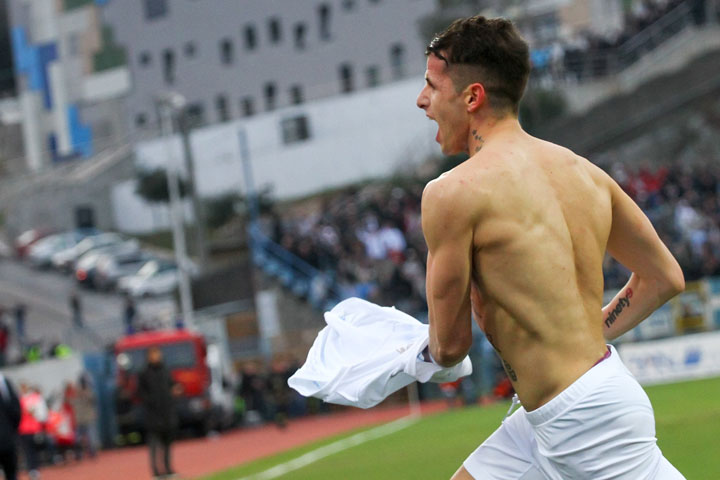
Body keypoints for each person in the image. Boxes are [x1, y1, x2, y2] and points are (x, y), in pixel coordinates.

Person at [415, 16, 686, 479]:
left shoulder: (451, 193)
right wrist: (583, 334)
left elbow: (450, 348)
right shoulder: (585, 172)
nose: (422, 100)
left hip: (585, 424)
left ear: (472, 97)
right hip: (573, 405)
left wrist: (396, 353)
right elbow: (665, 278)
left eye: (431, 86)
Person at [138, 347, 180, 479]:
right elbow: (140, 393)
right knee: (154, 445)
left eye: (158, 353)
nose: (156, 356)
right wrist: (152, 402)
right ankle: (156, 471)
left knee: (167, 443)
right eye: (153, 354)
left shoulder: (165, 370)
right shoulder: (144, 373)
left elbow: (172, 385)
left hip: (167, 413)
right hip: (153, 416)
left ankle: (168, 469)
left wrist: (176, 390)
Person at [18, 384, 47, 480]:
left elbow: (42, 414)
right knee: (28, 450)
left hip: (34, 429)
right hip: (24, 430)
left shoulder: (35, 398)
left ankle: (35, 468)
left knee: (34, 450)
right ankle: (32, 469)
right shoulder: (20, 399)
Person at [71, 375, 98, 460]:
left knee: (91, 437)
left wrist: (84, 393)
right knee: (77, 438)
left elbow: (93, 400)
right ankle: (79, 453)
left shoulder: (89, 391)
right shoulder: (76, 392)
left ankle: (92, 452)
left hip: (88, 418)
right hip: (79, 419)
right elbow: (71, 402)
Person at [0, 373, 21, 480]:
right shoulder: (4, 382)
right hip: (7, 437)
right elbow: (16, 411)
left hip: (7, 437)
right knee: (11, 473)